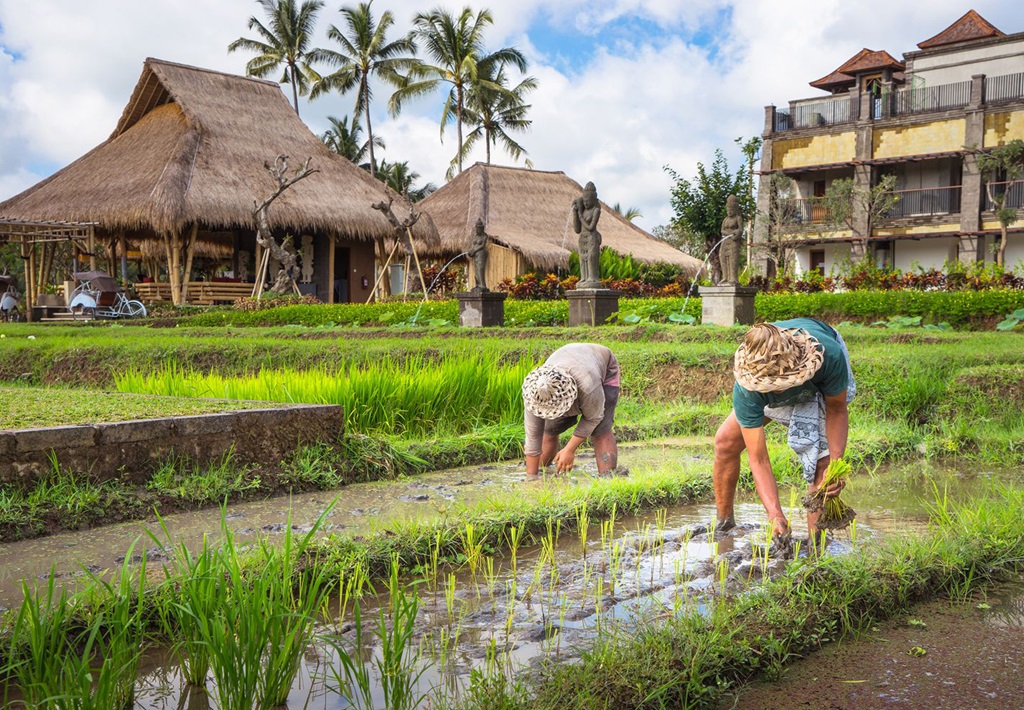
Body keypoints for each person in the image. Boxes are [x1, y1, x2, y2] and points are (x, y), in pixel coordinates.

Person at [712, 319, 855, 549]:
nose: (780, 390)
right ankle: (724, 525)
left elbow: (837, 410)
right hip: (772, 384)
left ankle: (815, 549)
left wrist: (835, 465)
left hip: (815, 383)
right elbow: (758, 458)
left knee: (821, 461)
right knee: (725, 442)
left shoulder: (829, 356)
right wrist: (775, 515)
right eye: (773, 385)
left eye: (783, 383)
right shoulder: (750, 388)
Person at [522, 343, 620, 478]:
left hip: (600, 369)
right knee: (549, 428)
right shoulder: (534, 394)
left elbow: (594, 418)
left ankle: (607, 478)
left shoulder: (587, 386)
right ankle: (541, 472)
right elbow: (533, 438)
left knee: (601, 428)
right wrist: (531, 479)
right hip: (569, 359)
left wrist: (569, 449)